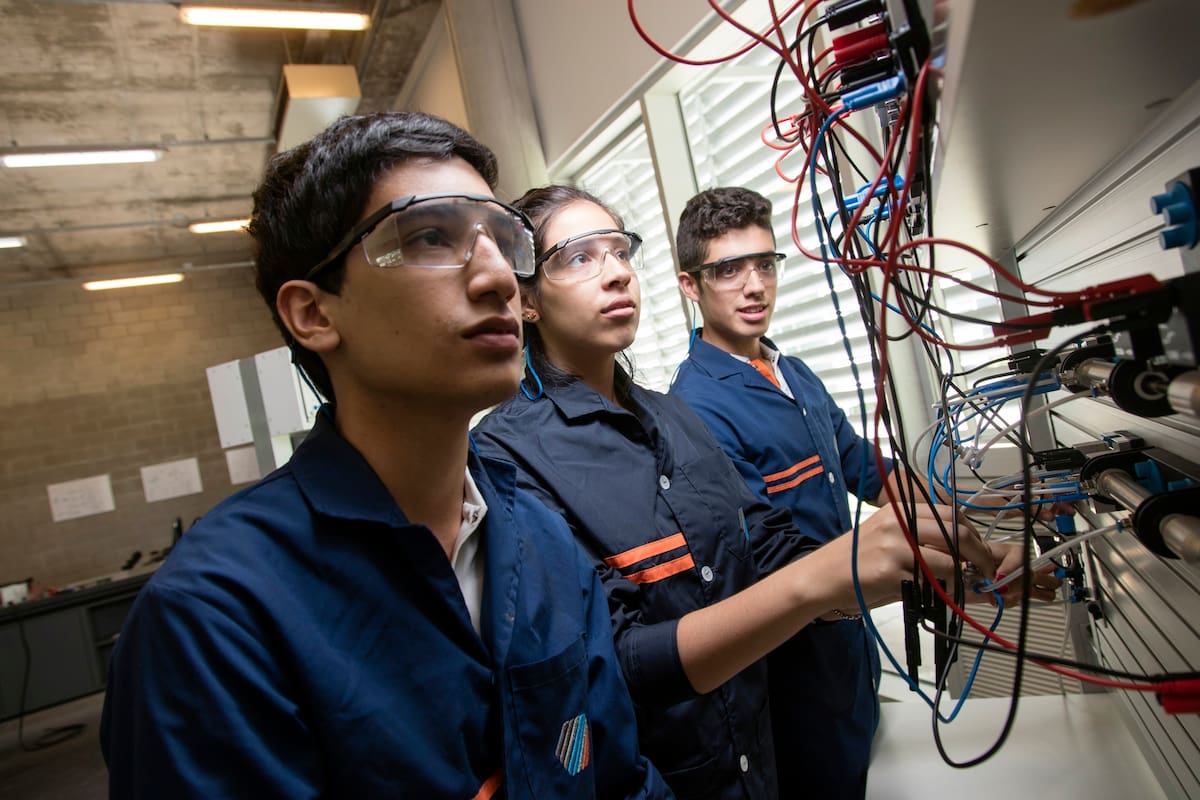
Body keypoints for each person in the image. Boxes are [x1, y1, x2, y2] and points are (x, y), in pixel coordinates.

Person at [99, 113, 672, 799]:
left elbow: (617, 777)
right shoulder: (215, 618)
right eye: (431, 236)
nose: (498, 279)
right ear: (314, 313)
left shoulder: (541, 545)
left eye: (502, 240)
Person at [471, 184, 1015, 800]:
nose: (617, 274)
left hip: (764, 763)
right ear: (529, 300)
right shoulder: (505, 455)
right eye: (579, 257)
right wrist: (823, 578)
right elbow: (612, 664)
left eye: (621, 250)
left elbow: (776, 551)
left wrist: (948, 574)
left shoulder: (675, 419)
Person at [669, 186, 1063, 798]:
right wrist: (964, 575)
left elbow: (873, 474)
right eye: (728, 269)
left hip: (852, 654)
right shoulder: (694, 407)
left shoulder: (792, 371)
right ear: (691, 285)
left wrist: (982, 531)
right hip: (798, 671)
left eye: (765, 263)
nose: (755, 286)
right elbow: (767, 566)